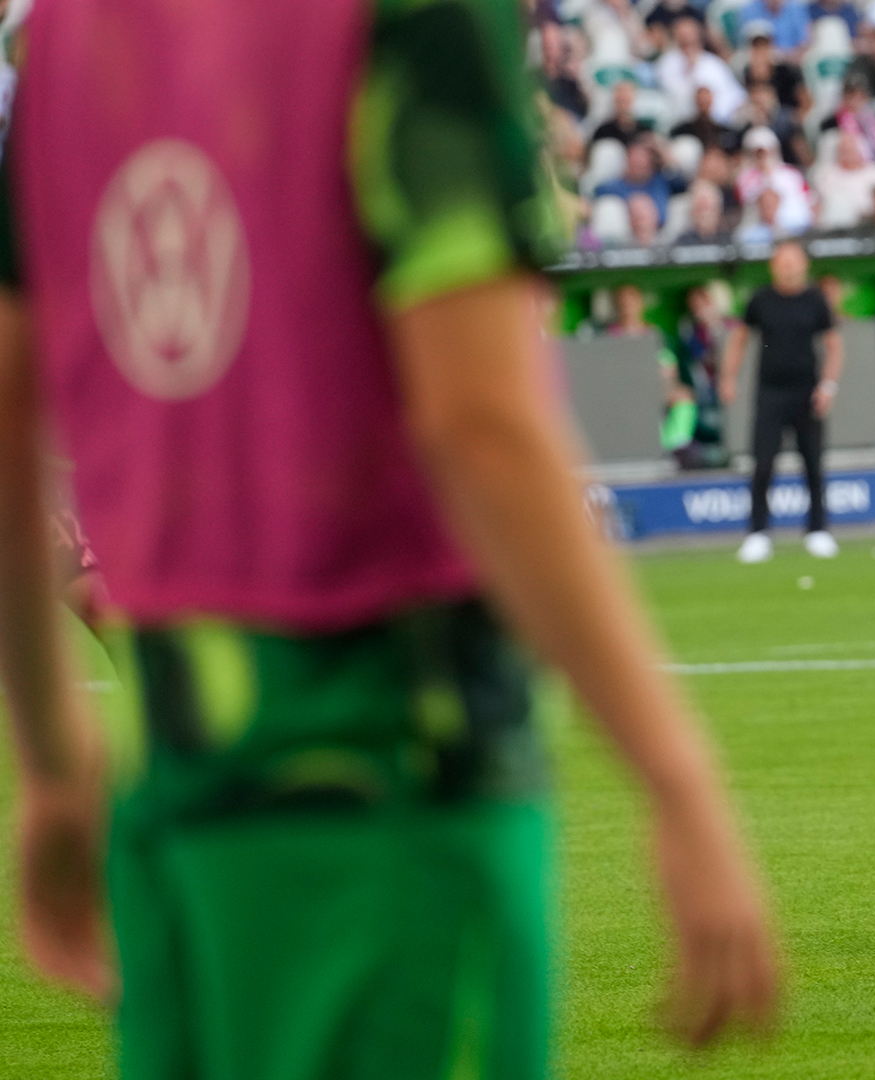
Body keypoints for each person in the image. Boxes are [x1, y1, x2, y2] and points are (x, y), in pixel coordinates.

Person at [0, 0, 779, 1074]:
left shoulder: (68, 36)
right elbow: (480, 423)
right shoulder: (409, 17)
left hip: (175, 811)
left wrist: (50, 764)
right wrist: (678, 777)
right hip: (391, 786)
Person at [719, 241, 843, 561]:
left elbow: (833, 345)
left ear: (804, 264)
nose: (788, 266)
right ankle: (758, 533)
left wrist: (827, 387)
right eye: (782, 260)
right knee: (762, 464)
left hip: (807, 392)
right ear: (773, 265)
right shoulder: (760, 299)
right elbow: (740, 340)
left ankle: (818, 530)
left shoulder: (816, 299)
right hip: (770, 392)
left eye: (793, 260)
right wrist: (728, 378)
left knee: (813, 463)